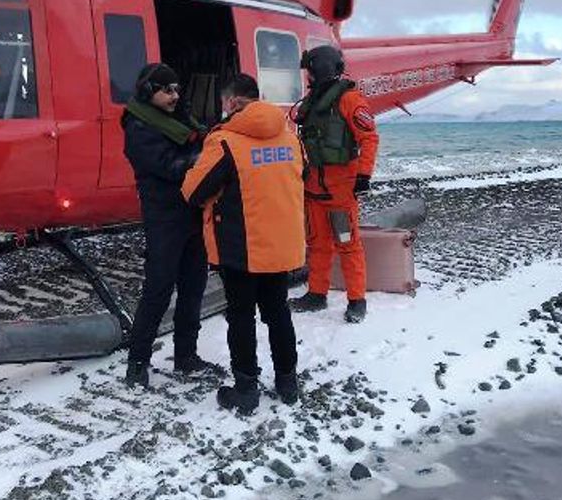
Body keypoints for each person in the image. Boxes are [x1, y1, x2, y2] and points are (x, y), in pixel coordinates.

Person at [182, 73, 305, 413]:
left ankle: (246, 389)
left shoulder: (224, 141)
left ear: (233, 102)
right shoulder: (290, 135)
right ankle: (287, 382)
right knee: (278, 311)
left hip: (242, 246)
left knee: (241, 316)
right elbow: (302, 176)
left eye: (224, 102)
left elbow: (193, 192)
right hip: (280, 243)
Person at [122, 62, 214, 387]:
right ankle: (137, 363)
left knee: (194, 287)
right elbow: (168, 166)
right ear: (150, 92)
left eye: (177, 89)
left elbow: (201, 140)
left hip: (191, 212)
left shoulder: (181, 118)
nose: (175, 95)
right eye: (167, 90)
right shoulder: (138, 127)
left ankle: (186, 356)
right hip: (164, 218)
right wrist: (204, 159)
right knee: (158, 290)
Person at [290, 45, 380, 323]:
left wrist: (363, 176)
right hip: (314, 187)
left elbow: (369, 138)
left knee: (347, 244)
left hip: (341, 190)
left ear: (320, 69)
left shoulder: (349, 100)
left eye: (310, 71)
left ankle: (357, 300)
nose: (308, 77)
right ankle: (317, 294)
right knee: (317, 244)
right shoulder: (313, 101)